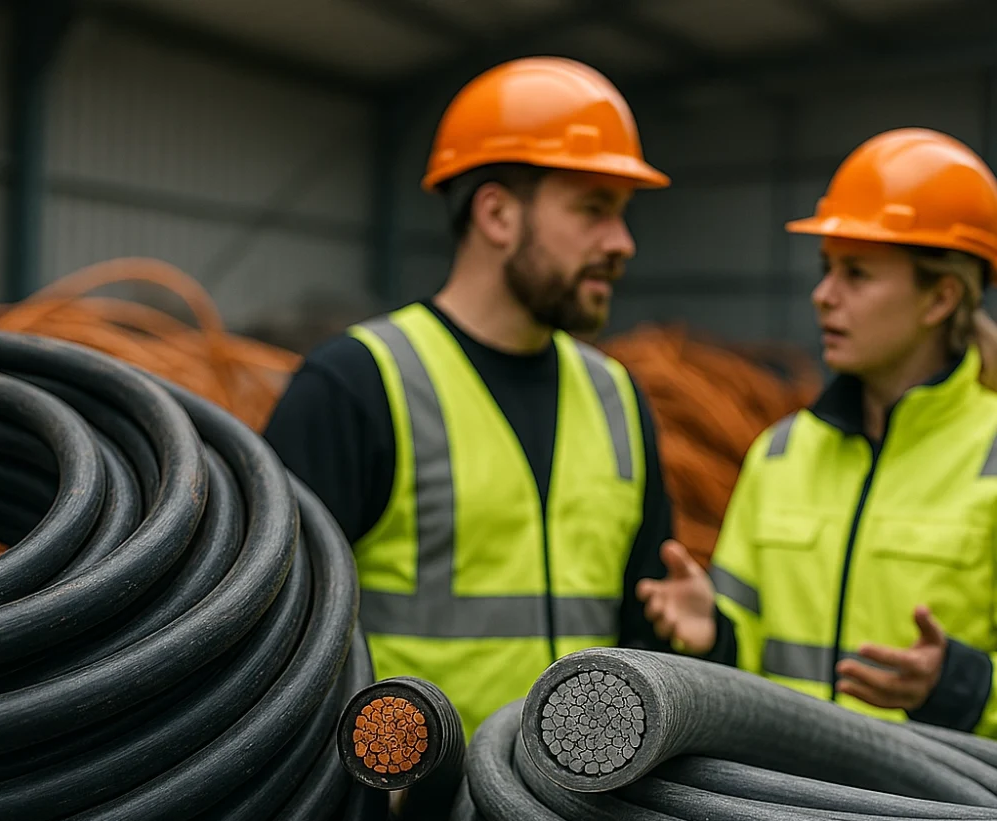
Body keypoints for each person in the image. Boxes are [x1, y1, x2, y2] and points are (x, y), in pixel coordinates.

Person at [264, 56, 676, 739]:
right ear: (497, 214)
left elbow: (645, 629)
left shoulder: (616, 399)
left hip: (582, 800)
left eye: (622, 215)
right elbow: (272, 639)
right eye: (593, 209)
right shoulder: (357, 385)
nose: (621, 242)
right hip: (409, 802)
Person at [637, 127, 997, 738]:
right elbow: (748, 658)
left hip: (933, 800)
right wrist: (714, 634)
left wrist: (962, 689)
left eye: (856, 274)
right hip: (785, 794)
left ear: (940, 298)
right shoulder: (780, 455)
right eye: (827, 269)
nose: (823, 296)